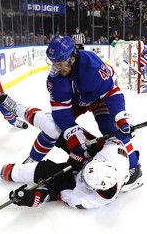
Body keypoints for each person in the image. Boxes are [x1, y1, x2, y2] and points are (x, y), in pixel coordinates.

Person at [0, 98, 143, 209]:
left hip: (72, 179)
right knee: (53, 124)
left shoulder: (87, 200)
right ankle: (18, 108)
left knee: (29, 173)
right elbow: (117, 140)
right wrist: (123, 128)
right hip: (91, 154)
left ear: (95, 189)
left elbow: (58, 193)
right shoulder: (115, 157)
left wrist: (36, 197)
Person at [21, 35, 140, 186]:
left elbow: (111, 93)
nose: (58, 68)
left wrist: (121, 116)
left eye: (61, 64)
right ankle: (33, 159)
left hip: (98, 98)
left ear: (72, 57)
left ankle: (134, 167)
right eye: (54, 64)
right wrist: (73, 133)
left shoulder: (91, 66)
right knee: (53, 128)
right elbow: (61, 111)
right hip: (76, 102)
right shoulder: (55, 78)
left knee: (110, 128)